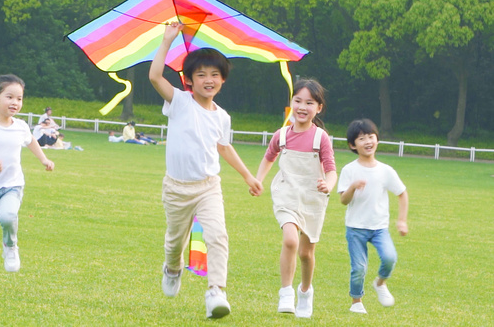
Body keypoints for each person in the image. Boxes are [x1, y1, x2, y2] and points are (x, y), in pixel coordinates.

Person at [149, 22, 263, 319]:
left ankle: (216, 291)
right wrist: (167, 40)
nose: (208, 80)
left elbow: (224, 147)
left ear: (223, 79)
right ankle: (172, 268)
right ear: (189, 80)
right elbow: (154, 76)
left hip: (208, 186)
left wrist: (248, 176)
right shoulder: (179, 102)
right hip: (176, 188)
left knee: (217, 236)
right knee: (175, 242)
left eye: (214, 74)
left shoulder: (222, 117)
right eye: (201, 75)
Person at [255, 79, 337, 318]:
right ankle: (286, 292)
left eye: (309, 103)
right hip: (286, 194)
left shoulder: (320, 138)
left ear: (318, 108)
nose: (302, 107)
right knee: (290, 240)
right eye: (298, 101)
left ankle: (305, 291)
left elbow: (331, 169)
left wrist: (328, 184)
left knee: (305, 253)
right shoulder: (281, 135)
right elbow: (269, 157)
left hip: (313, 198)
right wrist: (258, 180)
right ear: (291, 103)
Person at [0, 74, 54, 287]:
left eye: (19, 98)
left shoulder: (20, 126)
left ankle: (10, 246)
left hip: (12, 186)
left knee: (8, 216)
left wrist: (44, 159)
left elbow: (31, 141)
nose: (15, 102)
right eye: (10, 97)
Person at [338, 119, 409, 315]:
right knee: (359, 268)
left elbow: (402, 193)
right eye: (361, 138)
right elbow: (343, 200)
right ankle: (356, 301)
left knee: (389, 257)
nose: (368, 141)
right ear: (353, 145)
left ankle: (380, 283)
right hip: (356, 227)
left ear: (377, 139)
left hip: (379, 228)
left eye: (371, 136)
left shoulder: (385, 170)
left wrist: (402, 220)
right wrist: (353, 187)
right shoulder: (349, 170)